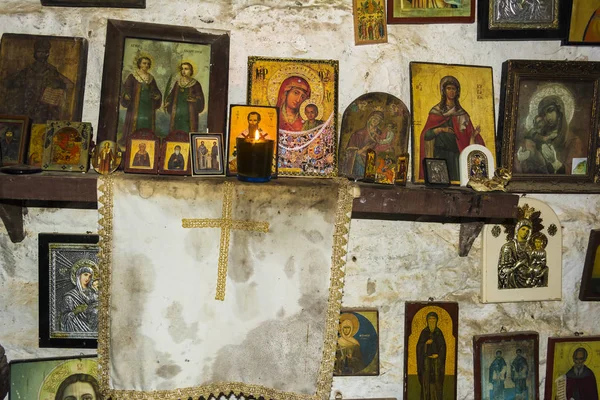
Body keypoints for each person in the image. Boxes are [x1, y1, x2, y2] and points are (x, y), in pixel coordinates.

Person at [419, 75, 484, 182]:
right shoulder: (436, 111)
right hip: (440, 154)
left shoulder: (462, 114)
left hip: (457, 155)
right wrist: (441, 129)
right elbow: (426, 135)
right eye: (448, 88)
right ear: (443, 91)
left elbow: (469, 136)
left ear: (457, 92)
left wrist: (474, 135)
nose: (451, 91)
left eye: (453, 89)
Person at [3, 39, 73, 123]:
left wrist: (56, 89)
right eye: (39, 52)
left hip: (44, 107)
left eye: (44, 52)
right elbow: (12, 82)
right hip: (27, 105)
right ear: (35, 53)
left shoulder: (51, 70)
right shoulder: (28, 69)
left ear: (47, 54)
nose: (41, 55)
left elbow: (67, 84)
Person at [518, 95, 584, 174]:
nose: (547, 117)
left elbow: (579, 172)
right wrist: (522, 160)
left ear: (559, 112)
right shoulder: (537, 139)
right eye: (544, 114)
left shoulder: (574, 141)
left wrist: (555, 162)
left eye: (550, 110)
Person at [120, 56, 162, 141]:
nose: (146, 65)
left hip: (148, 106)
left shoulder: (151, 78)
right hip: (136, 105)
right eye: (144, 63)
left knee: (147, 123)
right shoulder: (132, 76)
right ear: (139, 64)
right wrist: (126, 95)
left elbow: (156, 90)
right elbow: (126, 88)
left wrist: (158, 96)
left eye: (148, 64)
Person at [165, 62, 205, 133]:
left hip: (190, 113)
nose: (183, 71)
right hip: (177, 112)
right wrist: (168, 102)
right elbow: (172, 95)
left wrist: (195, 100)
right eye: (182, 69)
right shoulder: (177, 83)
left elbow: (200, 98)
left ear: (191, 71)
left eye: (186, 69)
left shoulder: (195, 84)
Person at [343, 111, 384, 179]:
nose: (375, 121)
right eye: (374, 119)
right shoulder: (358, 134)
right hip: (358, 160)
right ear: (370, 119)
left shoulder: (378, 136)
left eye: (378, 120)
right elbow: (350, 151)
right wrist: (363, 150)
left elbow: (378, 150)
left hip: (370, 161)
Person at [61, 261, 98, 333]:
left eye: (90, 276)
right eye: (85, 274)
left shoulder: (94, 293)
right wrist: (76, 311)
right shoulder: (70, 296)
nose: (88, 278)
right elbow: (64, 319)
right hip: (77, 328)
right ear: (79, 276)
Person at [416, 311, 446, 400]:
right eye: (430, 319)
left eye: (433, 319)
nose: (432, 321)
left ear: (436, 320)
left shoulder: (439, 332)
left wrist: (438, 355)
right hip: (426, 362)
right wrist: (425, 343)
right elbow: (418, 346)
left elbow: (443, 347)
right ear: (427, 320)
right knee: (426, 382)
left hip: (437, 362)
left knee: (436, 383)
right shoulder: (424, 332)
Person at [497, 219, 532, 289]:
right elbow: (504, 268)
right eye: (523, 229)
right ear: (517, 230)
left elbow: (531, 262)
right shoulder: (508, 247)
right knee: (511, 275)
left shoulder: (529, 247)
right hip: (513, 275)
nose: (525, 232)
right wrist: (517, 266)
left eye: (527, 231)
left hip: (527, 275)